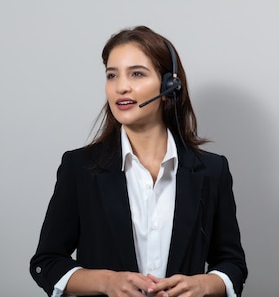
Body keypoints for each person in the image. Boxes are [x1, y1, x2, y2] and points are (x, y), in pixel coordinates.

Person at [29, 26, 247, 297]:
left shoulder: (212, 171)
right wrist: (107, 282)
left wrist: (205, 285)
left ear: (169, 86)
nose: (121, 87)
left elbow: (233, 264)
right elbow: (46, 262)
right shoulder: (79, 167)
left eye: (137, 74)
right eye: (112, 75)